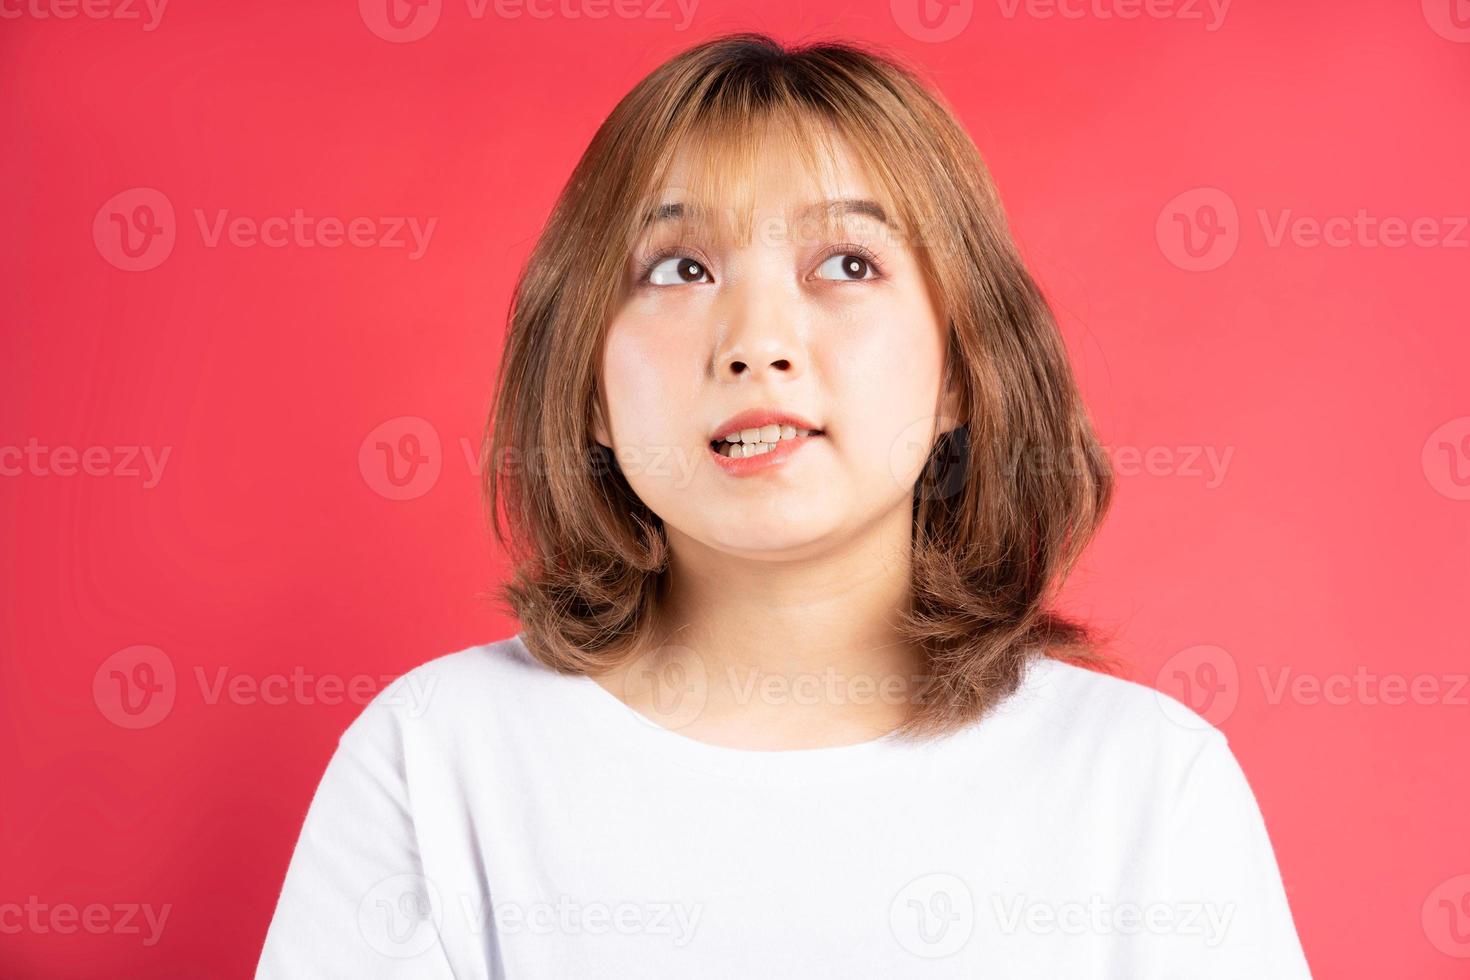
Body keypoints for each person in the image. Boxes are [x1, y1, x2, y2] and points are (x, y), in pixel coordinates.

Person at [257, 32, 1313, 978]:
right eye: (678, 267)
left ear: (959, 371)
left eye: (847, 263)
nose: (756, 341)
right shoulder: (439, 758)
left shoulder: (1143, 786)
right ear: (584, 381)